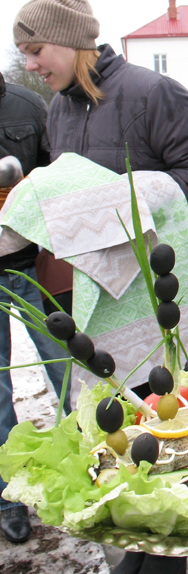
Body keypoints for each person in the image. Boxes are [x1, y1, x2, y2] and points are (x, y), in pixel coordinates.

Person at [14, 0, 188, 574]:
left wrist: (127, 203)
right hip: (99, 296)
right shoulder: (59, 109)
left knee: (163, 421)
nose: (30, 64)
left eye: (36, 49)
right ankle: (139, 537)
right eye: (23, 53)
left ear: (74, 39)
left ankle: (170, 553)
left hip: (157, 296)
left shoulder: (150, 92)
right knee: (115, 427)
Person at [0, 71, 71, 544]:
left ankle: (90, 468)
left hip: (31, 263)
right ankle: (7, 498)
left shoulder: (28, 106)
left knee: (70, 367)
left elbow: (57, 177)